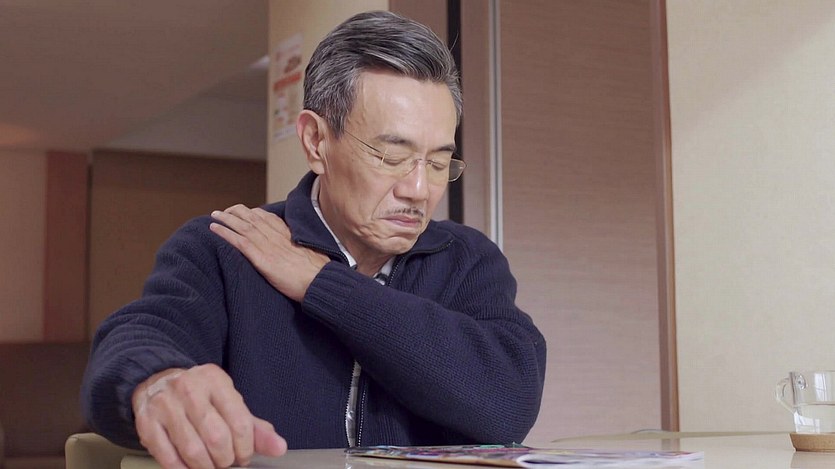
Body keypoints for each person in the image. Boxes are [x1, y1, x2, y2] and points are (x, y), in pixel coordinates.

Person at [81, 10, 546, 469]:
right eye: (391, 157)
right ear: (316, 142)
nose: (419, 190)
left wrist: (321, 284)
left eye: (439, 163)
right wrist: (157, 384)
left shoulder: (467, 260)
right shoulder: (225, 247)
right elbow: (138, 341)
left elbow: (508, 404)